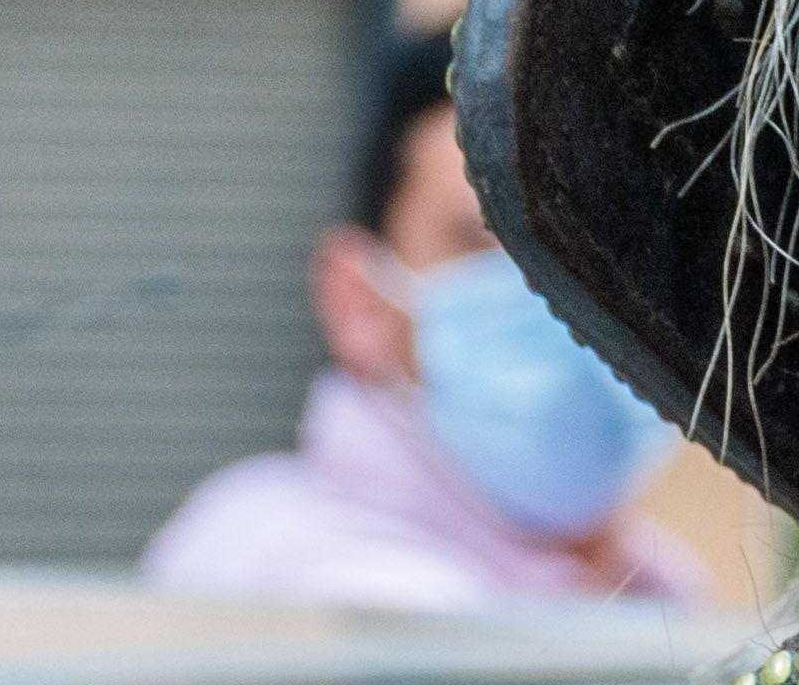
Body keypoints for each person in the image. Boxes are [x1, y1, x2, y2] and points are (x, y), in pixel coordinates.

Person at [143, 30, 707, 610]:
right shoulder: (272, 563)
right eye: (493, 249)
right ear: (356, 301)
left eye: (615, 254)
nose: (569, 302)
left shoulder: (664, 594)